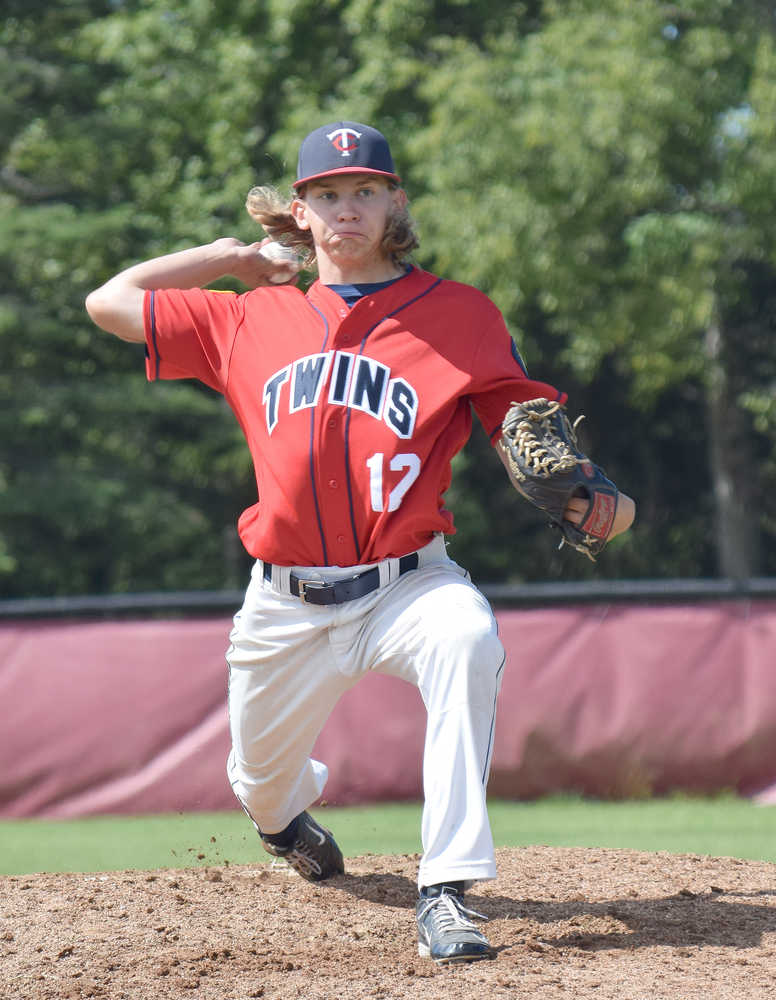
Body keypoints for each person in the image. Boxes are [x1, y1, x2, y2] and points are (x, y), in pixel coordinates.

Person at [85, 120, 635, 964]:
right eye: (328, 195)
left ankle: (445, 888)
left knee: (468, 640)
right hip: (285, 601)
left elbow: (532, 436)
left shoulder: (460, 314)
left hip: (408, 584)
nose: (348, 208)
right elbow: (108, 301)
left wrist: (608, 502)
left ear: (394, 203)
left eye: (365, 191)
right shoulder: (247, 318)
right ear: (302, 213)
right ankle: (285, 823)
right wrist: (230, 257)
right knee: (258, 783)